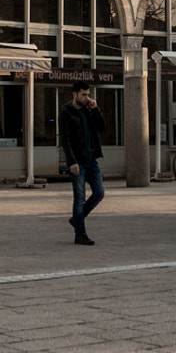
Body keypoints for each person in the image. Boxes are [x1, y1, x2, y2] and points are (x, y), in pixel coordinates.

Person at [58, 80, 106, 246]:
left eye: (88, 94)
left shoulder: (89, 109)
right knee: (79, 198)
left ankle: (77, 219)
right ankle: (80, 234)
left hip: (91, 159)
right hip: (78, 161)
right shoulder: (66, 111)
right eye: (83, 95)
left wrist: (95, 109)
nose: (86, 98)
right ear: (75, 94)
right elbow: (65, 138)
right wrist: (72, 162)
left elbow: (102, 127)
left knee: (99, 192)